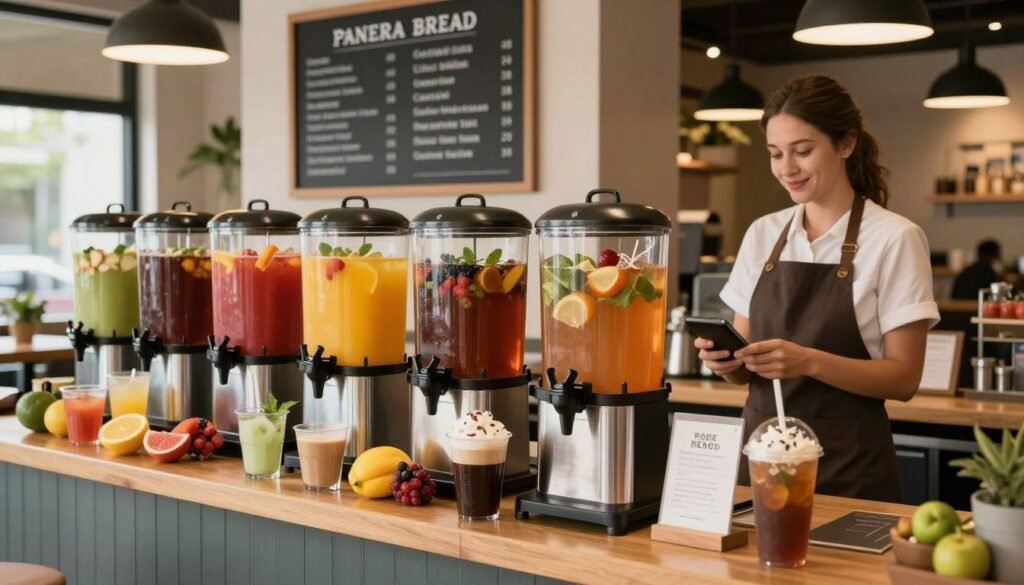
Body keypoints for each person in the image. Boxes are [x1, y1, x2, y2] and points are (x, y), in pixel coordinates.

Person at [695, 75, 939, 503]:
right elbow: (744, 369)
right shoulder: (763, 233)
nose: (786, 168)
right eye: (775, 154)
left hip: (850, 473)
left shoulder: (895, 238)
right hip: (761, 467)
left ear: (845, 144)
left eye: (802, 151)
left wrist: (807, 361)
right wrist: (726, 361)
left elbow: (904, 378)